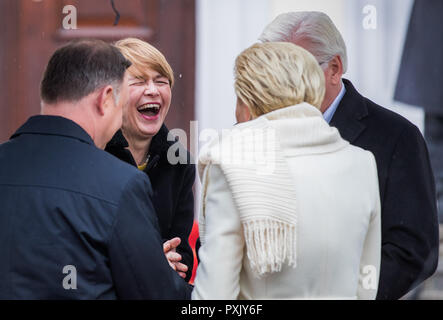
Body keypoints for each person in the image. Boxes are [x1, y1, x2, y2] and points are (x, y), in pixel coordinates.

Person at [259, 11, 439, 300]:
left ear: (334, 68)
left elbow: (414, 249)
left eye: (295, 72)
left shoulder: (396, 137)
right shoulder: (253, 134)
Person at [0, 39, 191, 299]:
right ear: (106, 99)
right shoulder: (119, 183)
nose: (152, 90)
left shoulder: (175, 162)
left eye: (161, 81)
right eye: (133, 85)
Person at [192, 42, 381, 299]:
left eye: (237, 98)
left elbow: (213, 297)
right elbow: (366, 284)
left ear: (248, 103)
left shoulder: (231, 160)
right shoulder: (362, 163)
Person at [105, 38, 195, 281]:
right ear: (111, 94)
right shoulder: (93, 157)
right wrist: (152, 264)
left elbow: (183, 254)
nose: (153, 90)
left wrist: (169, 265)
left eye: (161, 81)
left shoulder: (180, 163)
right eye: (138, 81)